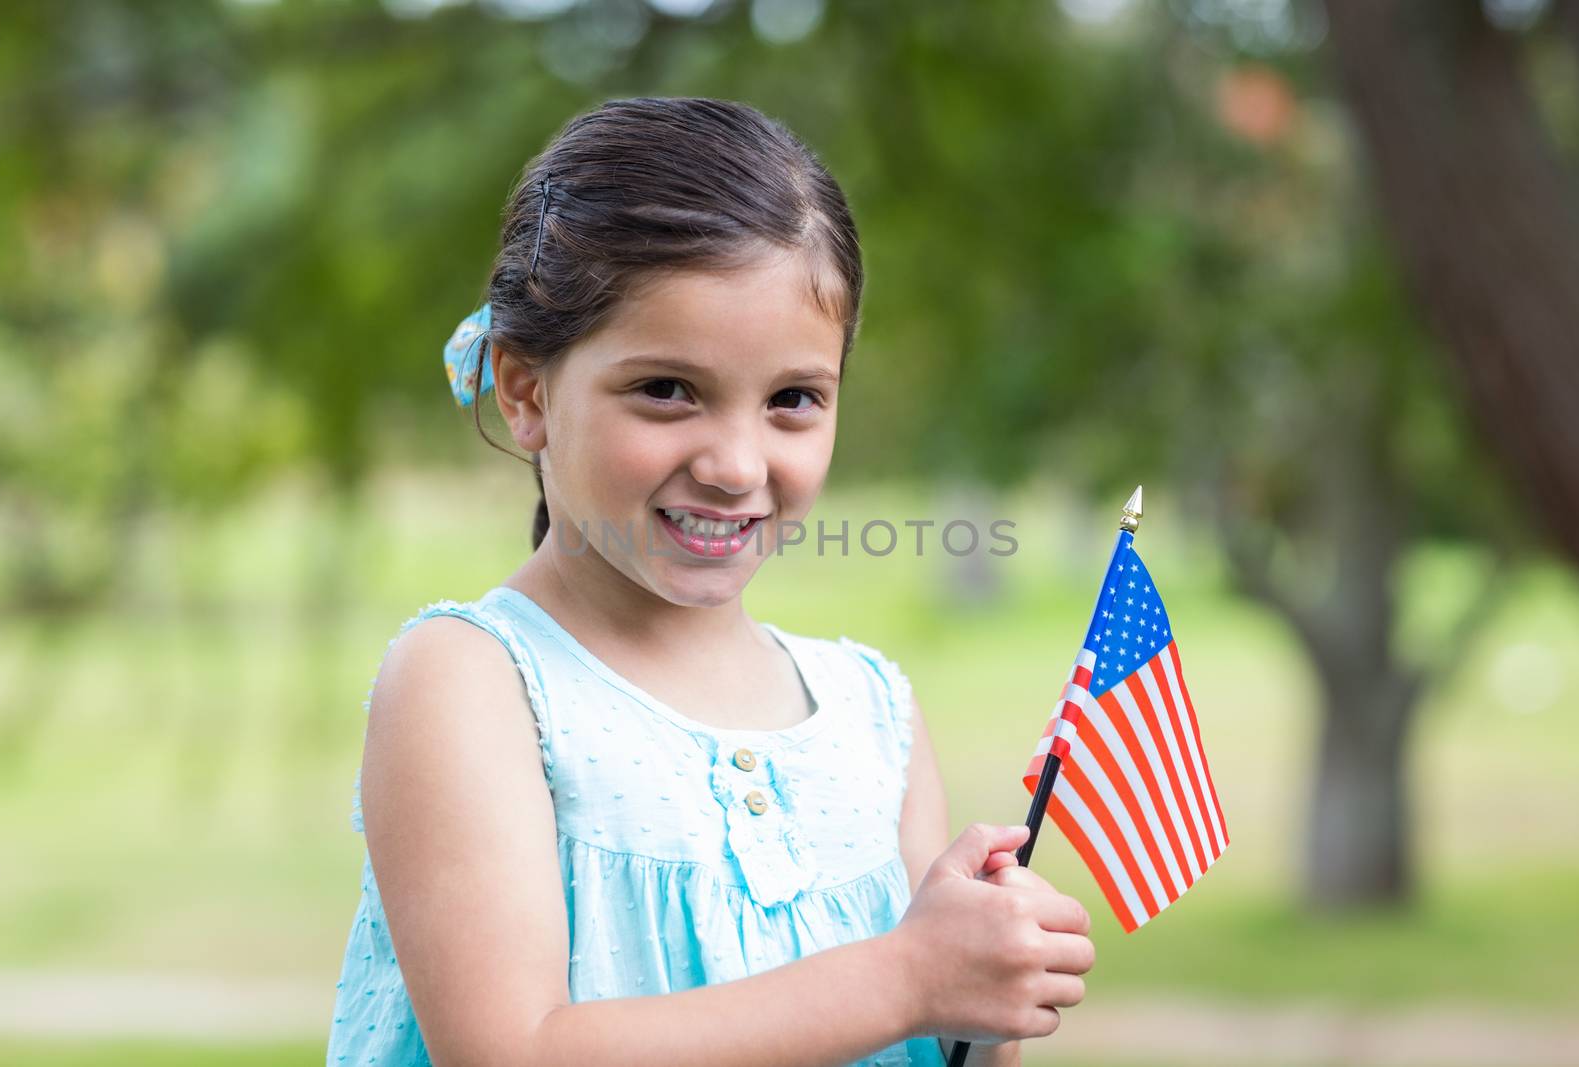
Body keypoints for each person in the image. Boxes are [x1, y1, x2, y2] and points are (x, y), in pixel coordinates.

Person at [326, 96, 1093, 1067]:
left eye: (792, 400)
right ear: (526, 391)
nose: (735, 463)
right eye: (667, 389)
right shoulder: (474, 682)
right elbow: (511, 1047)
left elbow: (916, 1040)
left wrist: (974, 1000)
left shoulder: (870, 713)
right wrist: (905, 976)